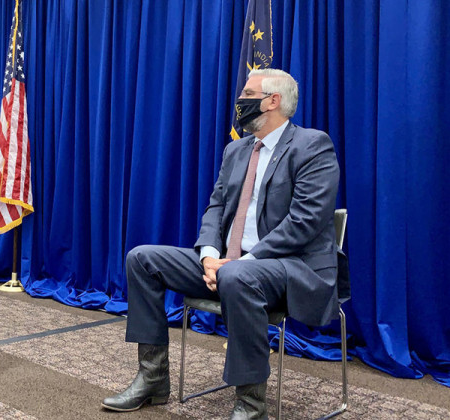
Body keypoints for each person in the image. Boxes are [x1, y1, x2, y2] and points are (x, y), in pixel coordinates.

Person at [102, 69, 343, 419]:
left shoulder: (311, 145)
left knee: (237, 277)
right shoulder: (236, 150)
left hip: (291, 269)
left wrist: (242, 263)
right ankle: (152, 379)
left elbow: (304, 222)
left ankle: (250, 403)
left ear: (273, 100)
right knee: (142, 259)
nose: (239, 101)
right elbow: (216, 208)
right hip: (228, 266)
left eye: (247, 93)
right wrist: (210, 257)